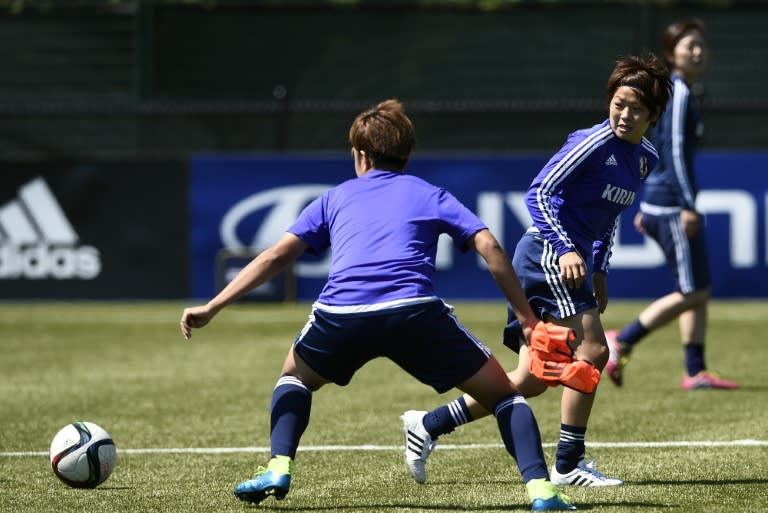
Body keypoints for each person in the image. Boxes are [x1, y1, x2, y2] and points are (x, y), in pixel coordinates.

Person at [180, 99, 576, 511]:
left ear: (361, 155)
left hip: (342, 315)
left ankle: (279, 465)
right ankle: (541, 492)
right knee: (505, 396)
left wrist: (214, 305)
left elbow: (274, 257)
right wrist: (527, 319)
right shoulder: (429, 193)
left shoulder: (334, 198)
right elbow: (490, 246)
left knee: (294, 378)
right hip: (415, 313)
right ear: (407, 153)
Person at [400, 55, 672, 488]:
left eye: (636, 109)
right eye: (619, 104)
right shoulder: (592, 143)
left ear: (654, 116)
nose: (624, 114)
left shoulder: (645, 158)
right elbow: (539, 192)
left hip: (574, 262)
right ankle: (568, 463)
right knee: (595, 351)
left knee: (530, 380)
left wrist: (599, 268)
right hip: (546, 253)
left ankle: (428, 424)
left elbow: (610, 216)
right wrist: (566, 248)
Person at [604, 19, 738, 391]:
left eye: (701, 46)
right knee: (693, 291)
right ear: (670, 52)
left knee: (698, 287)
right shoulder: (677, 92)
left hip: (665, 203)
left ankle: (695, 372)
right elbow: (674, 153)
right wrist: (688, 204)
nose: (697, 51)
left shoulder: (681, 92)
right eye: (688, 45)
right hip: (673, 205)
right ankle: (623, 339)